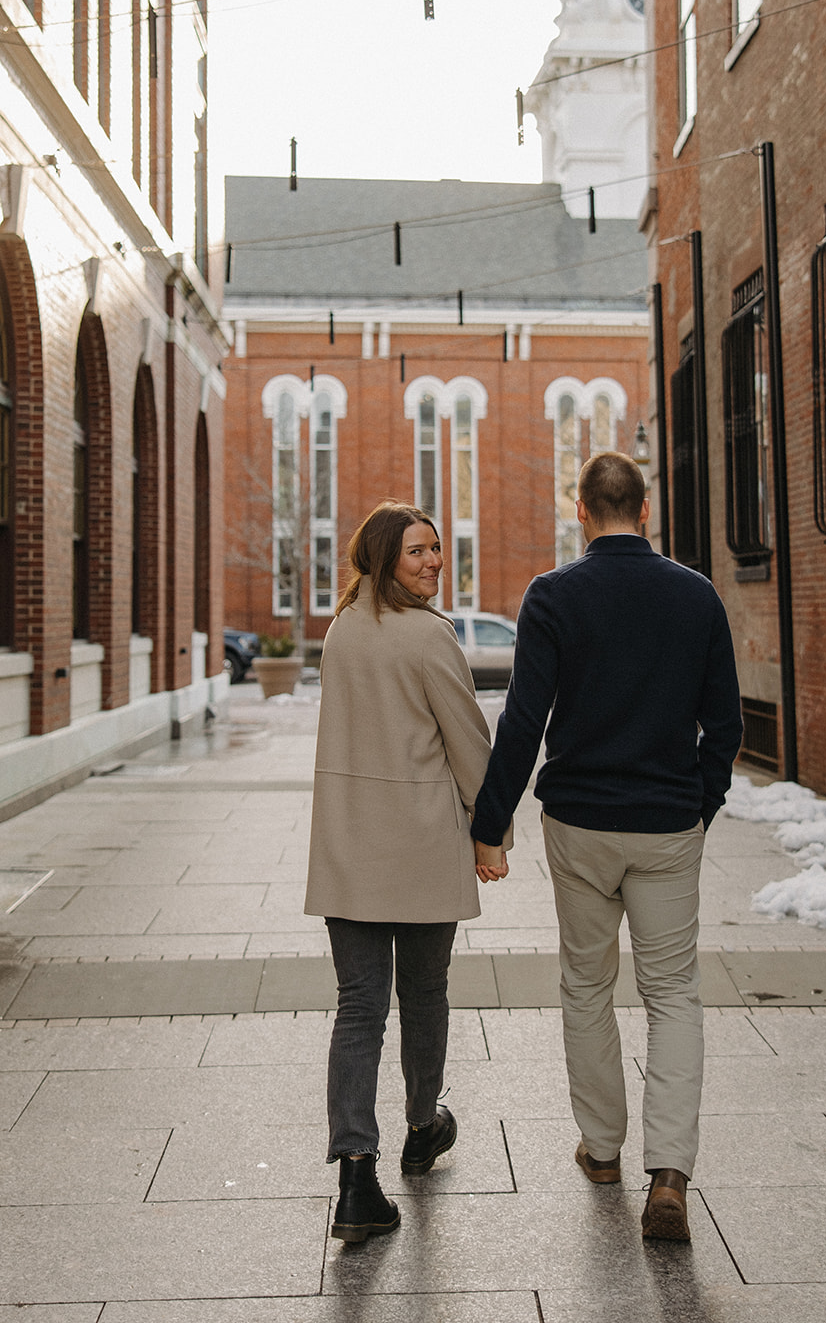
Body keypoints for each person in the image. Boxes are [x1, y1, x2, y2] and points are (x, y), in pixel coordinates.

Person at [470, 452, 742, 1242]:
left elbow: (523, 721)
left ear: (580, 511)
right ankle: (668, 1173)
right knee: (673, 994)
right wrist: (699, 807)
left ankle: (600, 1148)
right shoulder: (696, 596)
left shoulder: (553, 595)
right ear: (645, 510)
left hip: (581, 823)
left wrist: (490, 821)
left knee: (587, 985)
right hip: (665, 823)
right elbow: (723, 725)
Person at [304, 501, 493, 1244]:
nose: (433, 562)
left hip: (348, 845)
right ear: (383, 558)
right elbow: (468, 743)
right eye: (417, 551)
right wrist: (492, 830)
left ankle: (356, 1172)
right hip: (418, 846)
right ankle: (422, 1125)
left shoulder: (341, 631)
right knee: (422, 994)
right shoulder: (429, 636)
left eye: (438, 549)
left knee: (358, 1009)